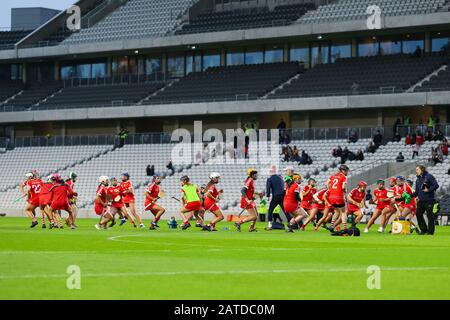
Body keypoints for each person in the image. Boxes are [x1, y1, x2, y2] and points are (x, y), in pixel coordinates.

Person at [412, 165, 439, 235]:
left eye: (417, 169)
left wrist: (429, 190)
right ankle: (423, 230)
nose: (416, 171)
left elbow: (436, 185)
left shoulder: (429, 176)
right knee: (418, 214)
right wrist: (409, 195)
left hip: (429, 200)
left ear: (422, 170)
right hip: (421, 201)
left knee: (429, 216)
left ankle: (430, 232)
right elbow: (416, 192)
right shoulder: (417, 180)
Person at [326, 164, 349, 232]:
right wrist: (345, 192)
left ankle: (332, 226)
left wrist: (330, 190)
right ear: (343, 170)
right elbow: (343, 187)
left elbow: (327, 183)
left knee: (336, 211)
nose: (347, 172)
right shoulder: (344, 177)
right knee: (344, 212)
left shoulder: (333, 176)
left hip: (331, 196)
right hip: (339, 196)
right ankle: (345, 228)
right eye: (346, 171)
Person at [265, 166, 286, 230]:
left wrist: (268, 196)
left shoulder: (270, 179)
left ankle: (269, 225)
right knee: (285, 210)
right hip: (282, 195)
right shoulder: (280, 178)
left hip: (275, 196)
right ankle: (292, 223)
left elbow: (268, 188)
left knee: (270, 210)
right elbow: (284, 186)